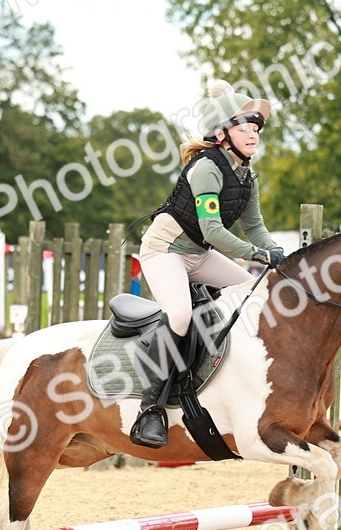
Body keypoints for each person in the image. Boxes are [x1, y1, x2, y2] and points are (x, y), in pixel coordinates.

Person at [130, 80, 285, 448]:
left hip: (197, 255)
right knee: (180, 315)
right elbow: (213, 230)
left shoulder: (247, 176)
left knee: (248, 291)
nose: (253, 134)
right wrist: (257, 254)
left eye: (256, 128)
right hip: (164, 251)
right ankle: (149, 408)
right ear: (222, 135)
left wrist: (276, 251)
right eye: (244, 127)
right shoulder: (206, 168)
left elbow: (255, 227)